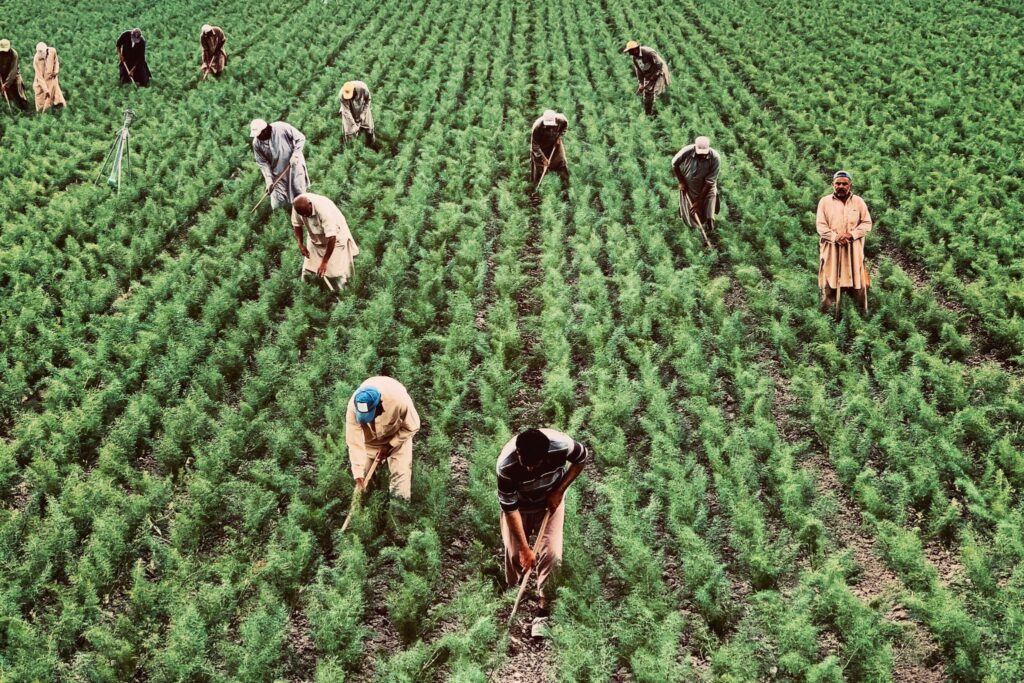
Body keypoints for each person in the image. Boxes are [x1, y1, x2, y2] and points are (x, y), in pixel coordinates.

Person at [497, 427, 588, 625]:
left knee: (552, 554)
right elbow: (510, 509)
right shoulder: (506, 466)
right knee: (514, 553)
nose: (530, 469)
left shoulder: (562, 446)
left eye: (535, 464)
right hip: (519, 507)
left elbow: (582, 458)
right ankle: (513, 591)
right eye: (525, 463)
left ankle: (544, 605)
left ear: (545, 455)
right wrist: (524, 549)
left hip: (549, 503)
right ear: (518, 453)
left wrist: (560, 490)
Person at [345, 377, 420, 501]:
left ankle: (398, 513)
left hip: (398, 435)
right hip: (370, 442)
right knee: (363, 477)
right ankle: (365, 508)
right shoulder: (353, 406)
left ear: (379, 404)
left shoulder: (399, 400)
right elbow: (354, 442)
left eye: (370, 415)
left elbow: (413, 426)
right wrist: (358, 473)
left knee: (400, 475)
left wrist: (390, 445)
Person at [816, 170, 873, 314]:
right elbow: (821, 226)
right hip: (832, 251)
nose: (841, 186)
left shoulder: (859, 202)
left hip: (854, 250)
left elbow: (867, 224)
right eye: (838, 183)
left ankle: (859, 318)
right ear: (832, 185)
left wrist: (851, 235)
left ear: (850, 185)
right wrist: (836, 237)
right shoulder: (824, 202)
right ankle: (829, 318)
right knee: (830, 283)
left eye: (844, 184)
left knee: (858, 283)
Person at [291, 193, 360, 292]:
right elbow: (296, 225)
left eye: (307, 212)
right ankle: (307, 294)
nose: (305, 216)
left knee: (335, 273)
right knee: (307, 270)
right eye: (303, 215)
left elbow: (332, 238)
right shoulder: (298, 207)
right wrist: (300, 244)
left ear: (310, 204)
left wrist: (324, 262)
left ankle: (342, 296)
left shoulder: (324, 211)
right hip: (314, 238)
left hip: (336, 238)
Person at [249, 118, 310, 211]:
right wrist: (269, 180)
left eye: (259, 134)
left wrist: (295, 155)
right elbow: (262, 162)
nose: (258, 137)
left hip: (294, 167)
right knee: (277, 202)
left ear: (265, 130)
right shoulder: (256, 143)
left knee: (299, 194)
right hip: (277, 174)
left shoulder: (281, 127)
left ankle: (300, 216)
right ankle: (282, 216)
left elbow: (300, 138)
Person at [672, 135, 721, 232]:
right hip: (690, 185)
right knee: (689, 209)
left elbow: (710, 182)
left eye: (704, 154)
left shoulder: (715, 158)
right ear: (695, 148)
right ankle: (693, 230)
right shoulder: (686, 151)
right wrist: (681, 182)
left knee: (708, 208)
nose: (702, 156)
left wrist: (699, 201)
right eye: (700, 154)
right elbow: (674, 164)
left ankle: (709, 228)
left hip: (707, 187)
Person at [622, 40, 671, 116]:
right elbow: (639, 71)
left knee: (656, 92)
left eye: (630, 51)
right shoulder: (635, 58)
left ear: (635, 49)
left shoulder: (648, 52)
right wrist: (641, 84)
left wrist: (654, 77)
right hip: (649, 72)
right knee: (647, 94)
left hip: (659, 70)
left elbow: (659, 65)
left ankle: (657, 114)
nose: (629, 53)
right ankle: (648, 114)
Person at [529, 109, 569, 186]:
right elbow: (535, 146)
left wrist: (559, 137)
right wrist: (543, 158)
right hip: (541, 147)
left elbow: (565, 126)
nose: (550, 127)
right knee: (540, 168)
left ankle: (565, 183)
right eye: (548, 125)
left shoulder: (561, 120)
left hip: (555, 145)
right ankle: (539, 186)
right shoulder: (537, 126)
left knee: (561, 161)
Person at [337, 80, 374, 146]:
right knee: (349, 132)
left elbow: (368, 100)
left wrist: (363, 113)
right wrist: (354, 125)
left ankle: (371, 145)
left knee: (369, 129)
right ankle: (350, 149)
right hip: (348, 110)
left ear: (354, 90)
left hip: (362, 107)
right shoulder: (342, 95)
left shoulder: (363, 87)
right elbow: (346, 112)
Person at [32, 42, 65, 112]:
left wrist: (56, 71)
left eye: (42, 53)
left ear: (46, 50)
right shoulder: (36, 60)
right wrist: (46, 90)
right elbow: (39, 77)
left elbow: (56, 62)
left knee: (57, 98)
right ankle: (43, 115)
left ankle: (59, 112)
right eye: (39, 53)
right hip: (41, 82)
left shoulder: (52, 51)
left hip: (52, 79)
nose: (40, 55)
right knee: (41, 101)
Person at [0, 40, 31, 111]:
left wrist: (6, 84)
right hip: (2, 75)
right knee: (5, 95)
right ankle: (7, 110)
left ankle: (25, 110)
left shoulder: (14, 54)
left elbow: (13, 71)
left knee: (19, 93)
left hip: (14, 76)